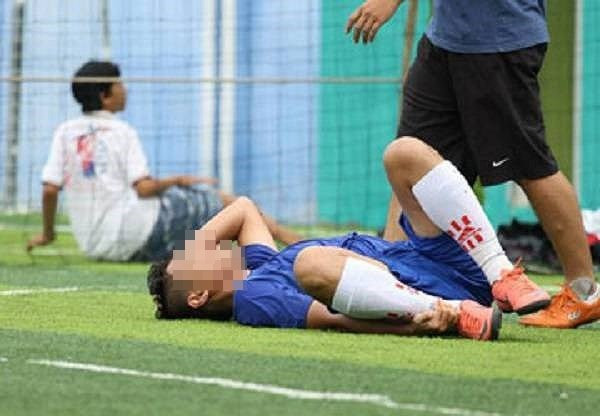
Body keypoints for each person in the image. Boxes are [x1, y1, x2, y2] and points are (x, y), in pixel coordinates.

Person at [147, 137, 559, 340]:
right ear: (198, 296)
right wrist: (424, 325)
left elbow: (243, 209)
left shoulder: (257, 266)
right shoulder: (253, 298)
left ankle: (501, 273)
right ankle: (454, 310)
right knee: (311, 262)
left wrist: (197, 245)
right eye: (193, 256)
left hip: (424, 258)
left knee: (403, 154)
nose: (205, 246)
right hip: (426, 294)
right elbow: (333, 320)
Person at [345, 0, 600, 328]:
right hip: (445, 39)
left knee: (530, 167)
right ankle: (393, 283)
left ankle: (583, 292)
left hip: (497, 43)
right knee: (409, 159)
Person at [27, 60, 300, 261]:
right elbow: (143, 189)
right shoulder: (122, 131)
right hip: (136, 233)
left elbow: (50, 189)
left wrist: (48, 234)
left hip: (96, 247)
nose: (125, 90)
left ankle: (255, 254)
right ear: (105, 95)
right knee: (221, 201)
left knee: (201, 241)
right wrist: (178, 180)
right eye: (119, 84)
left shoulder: (64, 131)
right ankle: (292, 242)